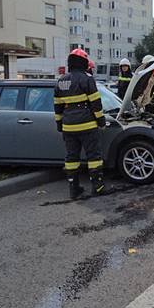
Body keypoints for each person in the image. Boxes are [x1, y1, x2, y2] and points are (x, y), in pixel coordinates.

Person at [54, 49, 106, 199]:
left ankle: (74, 188)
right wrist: (101, 121)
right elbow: (96, 103)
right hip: (87, 125)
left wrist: (59, 124)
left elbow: (57, 106)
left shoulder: (61, 81)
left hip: (68, 126)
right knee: (94, 156)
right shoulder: (87, 79)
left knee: (71, 158)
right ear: (84, 62)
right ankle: (98, 186)